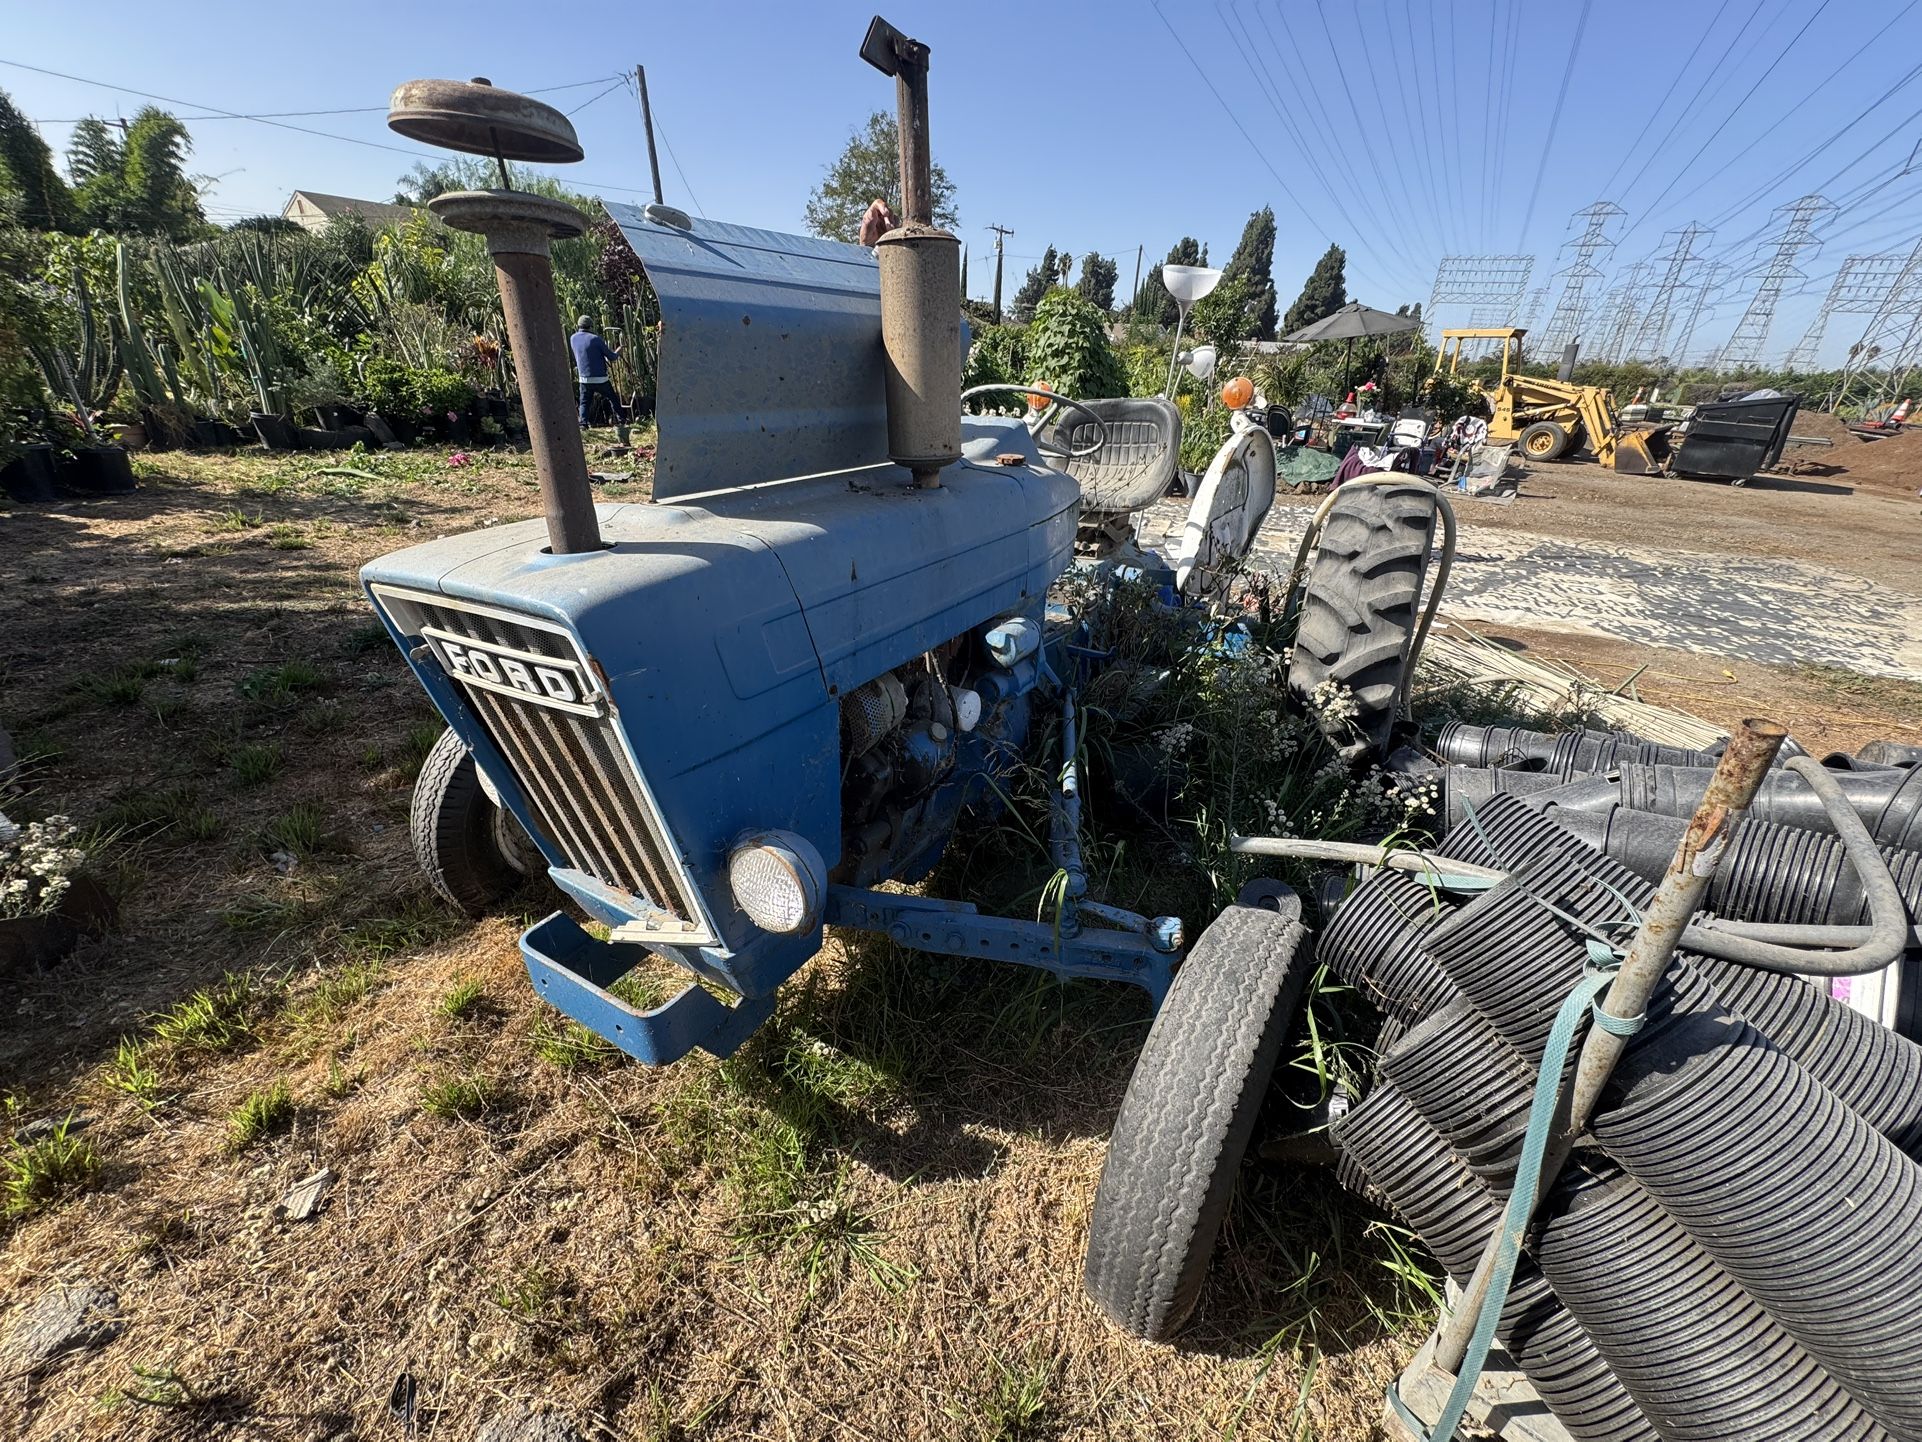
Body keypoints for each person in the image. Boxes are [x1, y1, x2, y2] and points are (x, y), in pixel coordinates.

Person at [570, 316, 630, 444]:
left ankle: (583, 424)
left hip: (584, 379)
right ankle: (622, 420)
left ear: (578, 325)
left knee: (584, 402)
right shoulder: (595, 339)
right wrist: (619, 350)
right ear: (591, 326)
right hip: (600, 379)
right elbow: (612, 357)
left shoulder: (573, 338)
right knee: (612, 398)